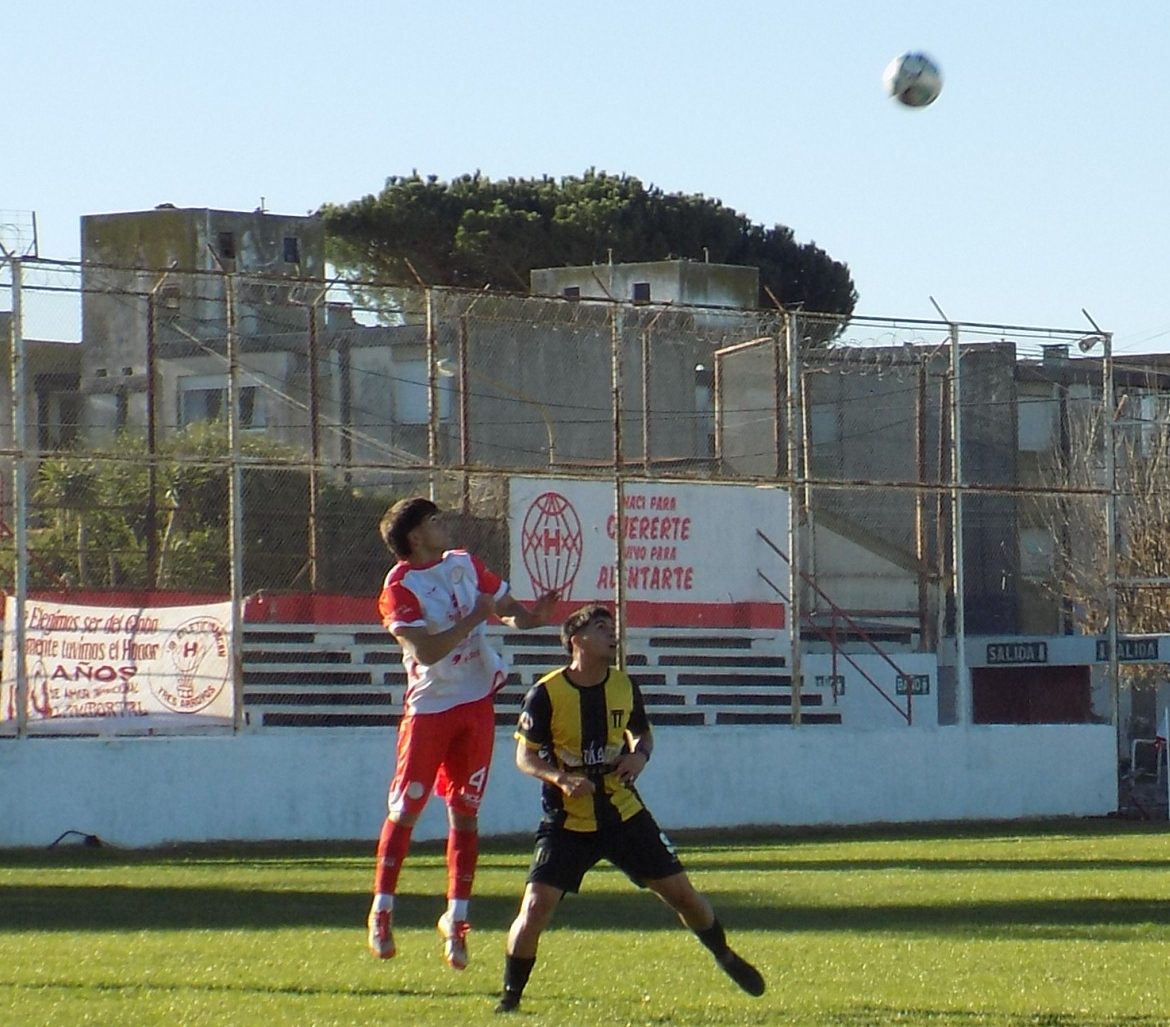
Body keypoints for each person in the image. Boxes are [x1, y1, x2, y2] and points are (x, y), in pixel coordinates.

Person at [495, 603, 765, 1013]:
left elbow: (641, 735)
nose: (612, 633)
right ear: (576, 640)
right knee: (534, 906)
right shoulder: (546, 693)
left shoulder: (624, 686)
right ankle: (510, 999)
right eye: (601, 627)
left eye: (612, 627)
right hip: (568, 819)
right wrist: (561, 778)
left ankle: (724, 955)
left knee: (683, 896)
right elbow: (524, 757)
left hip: (623, 812)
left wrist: (639, 757)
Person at [367, 496, 559, 969]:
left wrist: (533, 617)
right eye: (436, 521)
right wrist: (476, 617)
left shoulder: (464, 563)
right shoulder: (399, 586)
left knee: (466, 811)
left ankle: (456, 920)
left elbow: (507, 608)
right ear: (415, 537)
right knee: (407, 806)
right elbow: (427, 651)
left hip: (474, 703)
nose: (445, 524)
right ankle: (382, 909)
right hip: (430, 708)